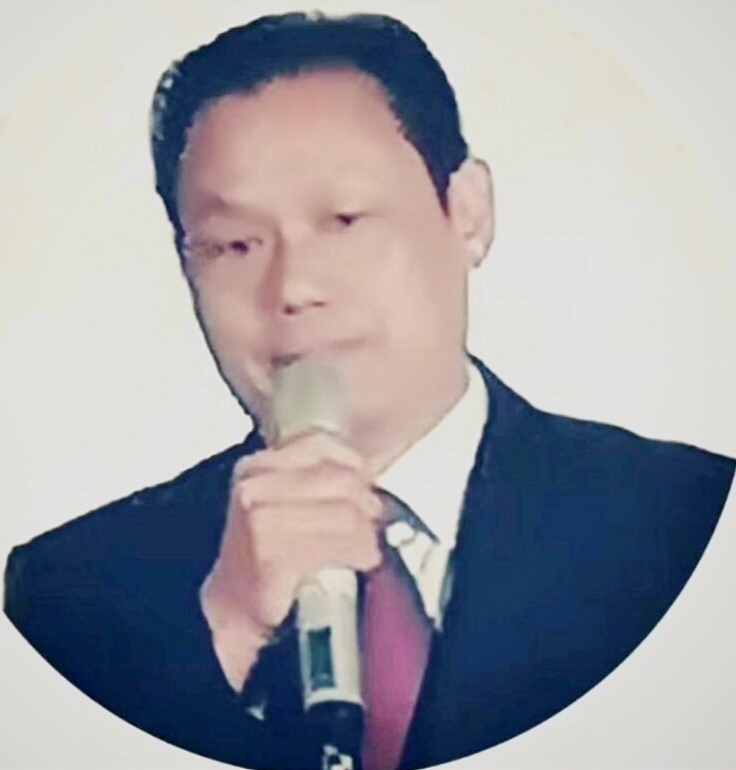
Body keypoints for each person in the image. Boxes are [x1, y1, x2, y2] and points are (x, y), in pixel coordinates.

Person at [4, 11, 734, 770]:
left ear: (468, 213)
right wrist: (223, 629)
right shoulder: (69, 598)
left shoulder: (688, 523)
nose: (294, 288)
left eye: (345, 220)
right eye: (235, 245)